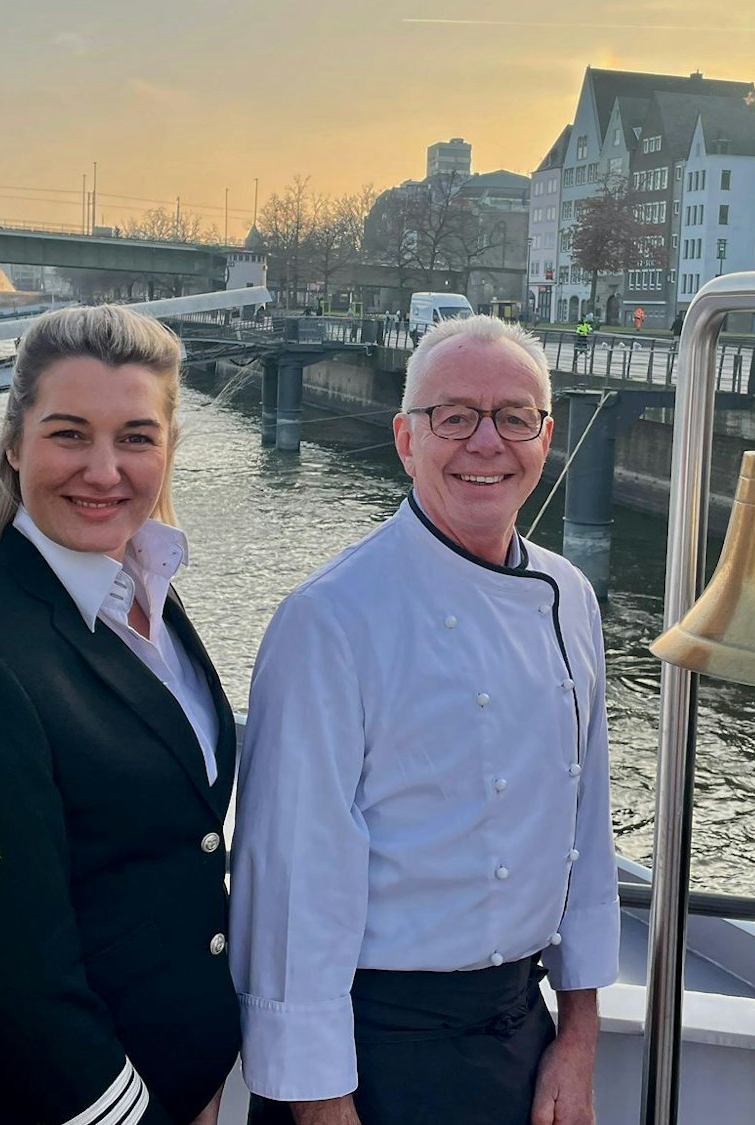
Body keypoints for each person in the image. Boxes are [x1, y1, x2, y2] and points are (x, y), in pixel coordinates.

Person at [232, 315, 617, 1125]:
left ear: (546, 439)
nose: (487, 442)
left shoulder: (571, 597)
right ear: (407, 440)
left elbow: (584, 830)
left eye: (513, 417)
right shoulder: (330, 619)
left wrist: (579, 1038)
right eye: (455, 416)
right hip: (376, 1055)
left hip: (522, 1037)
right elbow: (292, 891)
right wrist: (324, 1106)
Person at [0, 305, 239, 1125]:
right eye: (69, 434)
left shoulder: (147, 592)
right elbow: (14, 977)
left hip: (196, 1085)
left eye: (135, 437)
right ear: (15, 443)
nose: (104, 469)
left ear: (169, 448)